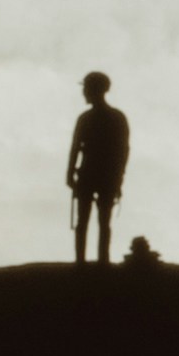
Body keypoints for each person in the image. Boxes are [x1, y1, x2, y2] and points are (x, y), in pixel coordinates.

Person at [64, 71, 130, 265]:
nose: (83, 92)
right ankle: (101, 262)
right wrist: (119, 177)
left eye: (86, 88)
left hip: (91, 174)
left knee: (85, 222)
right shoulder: (116, 117)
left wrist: (70, 174)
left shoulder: (86, 118)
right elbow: (123, 152)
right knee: (101, 222)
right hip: (105, 176)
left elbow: (76, 148)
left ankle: (83, 263)